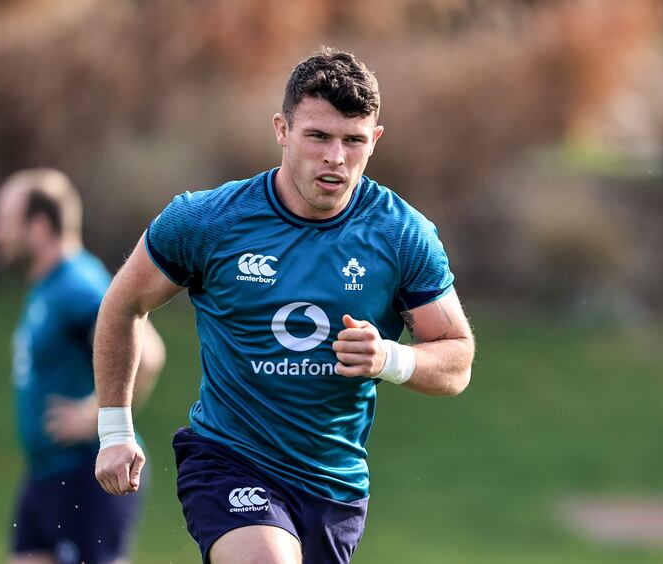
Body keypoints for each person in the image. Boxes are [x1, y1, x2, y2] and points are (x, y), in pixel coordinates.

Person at [93, 47, 475, 564]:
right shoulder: (207, 221)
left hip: (333, 487)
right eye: (318, 136)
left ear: (375, 140)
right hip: (228, 460)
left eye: (353, 140)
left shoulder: (401, 235)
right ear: (282, 130)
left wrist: (390, 357)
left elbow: (456, 359)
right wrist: (114, 430)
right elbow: (123, 304)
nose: (335, 157)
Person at [0, 168, 165, 564]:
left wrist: (95, 415)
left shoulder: (77, 285)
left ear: (38, 225)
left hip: (85, 475)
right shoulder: (49, 285)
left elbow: (149, 352)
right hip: (44, 474)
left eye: (4, 221)